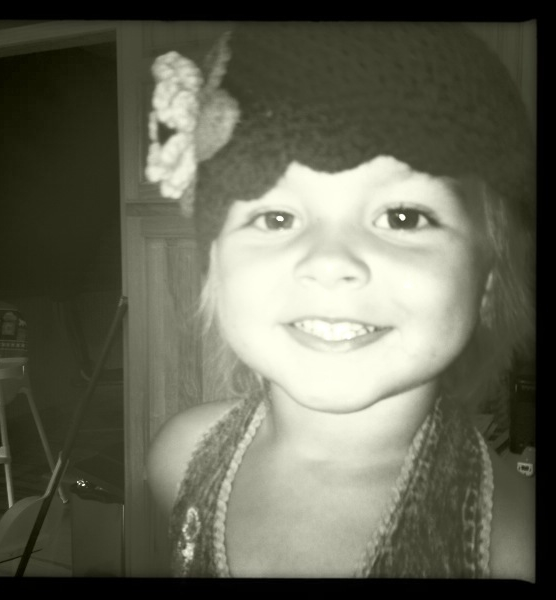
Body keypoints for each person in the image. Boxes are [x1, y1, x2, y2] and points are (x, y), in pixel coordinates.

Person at [144, 21, 536, 579]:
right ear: (215, 266)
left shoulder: (511, 542)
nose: (329, 261)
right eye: (275, 218)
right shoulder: (177, 459)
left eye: (403, 217)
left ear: (489, 271)